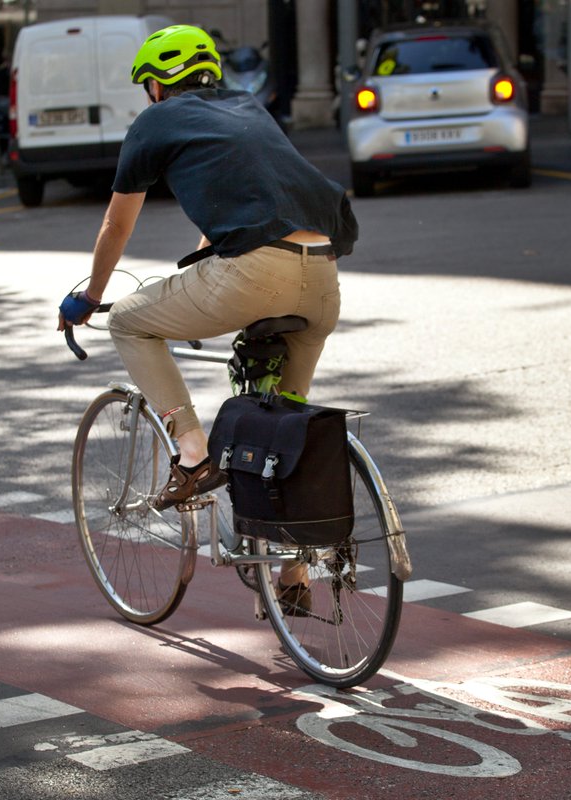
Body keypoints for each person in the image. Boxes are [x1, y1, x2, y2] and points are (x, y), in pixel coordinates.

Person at [57, 25, 357, 607]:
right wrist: (204, 253)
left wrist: (90, 297)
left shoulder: (155, 122)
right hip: (322, 275)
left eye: (148, 86)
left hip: (254, 274)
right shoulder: (249, 108)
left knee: (130, 322)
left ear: (158, 86)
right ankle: (293, 577)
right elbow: (247, 193)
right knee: (287, 426)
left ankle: (192, 454)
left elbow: (116, 226)